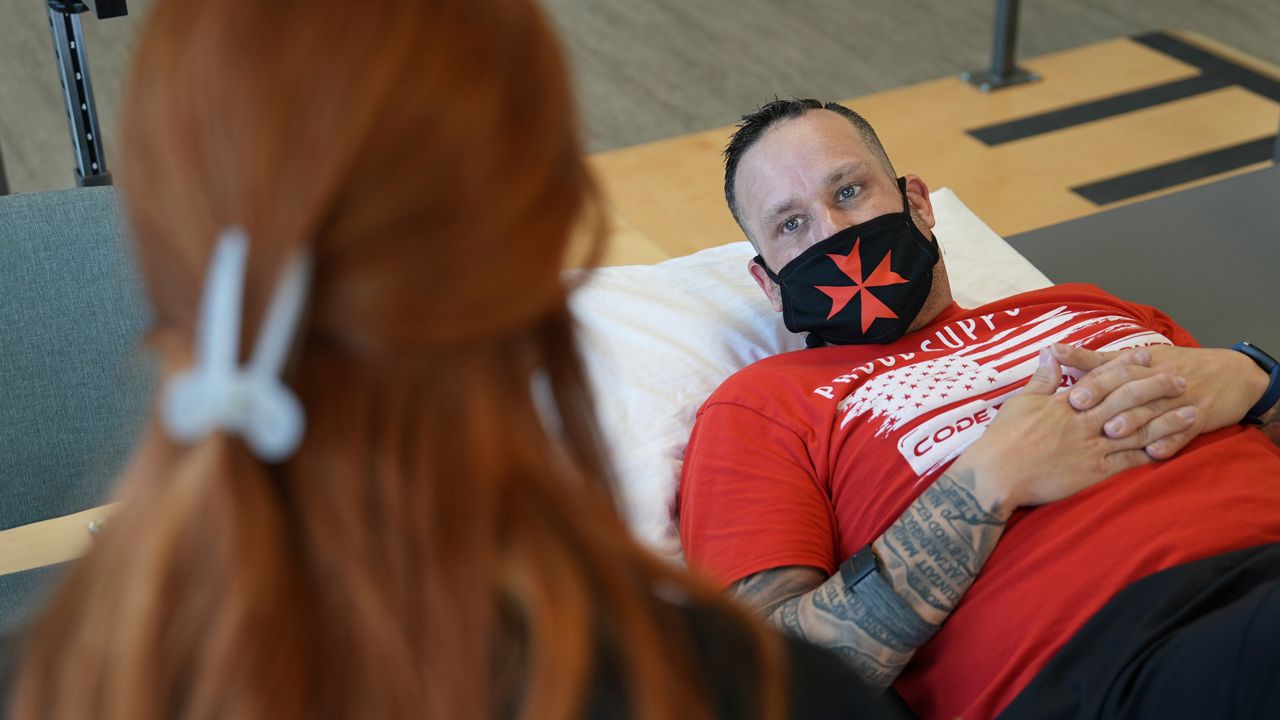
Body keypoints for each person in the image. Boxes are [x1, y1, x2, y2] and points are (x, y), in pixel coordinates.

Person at [4, 10, 911, 720]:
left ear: (151, 267)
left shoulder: (45, 681)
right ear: (548, 258)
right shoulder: (738, 689)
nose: (832, 231)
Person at [677, 98, 1280, 719]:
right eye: (791, 225)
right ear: (769, 284)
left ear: (917, 201)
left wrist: (1256, 376)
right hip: (1120, 656)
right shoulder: (763, 408)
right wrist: (990, 475)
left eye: (850, 190)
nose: (833, 233)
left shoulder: (1086, 306)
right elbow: (768, 682)